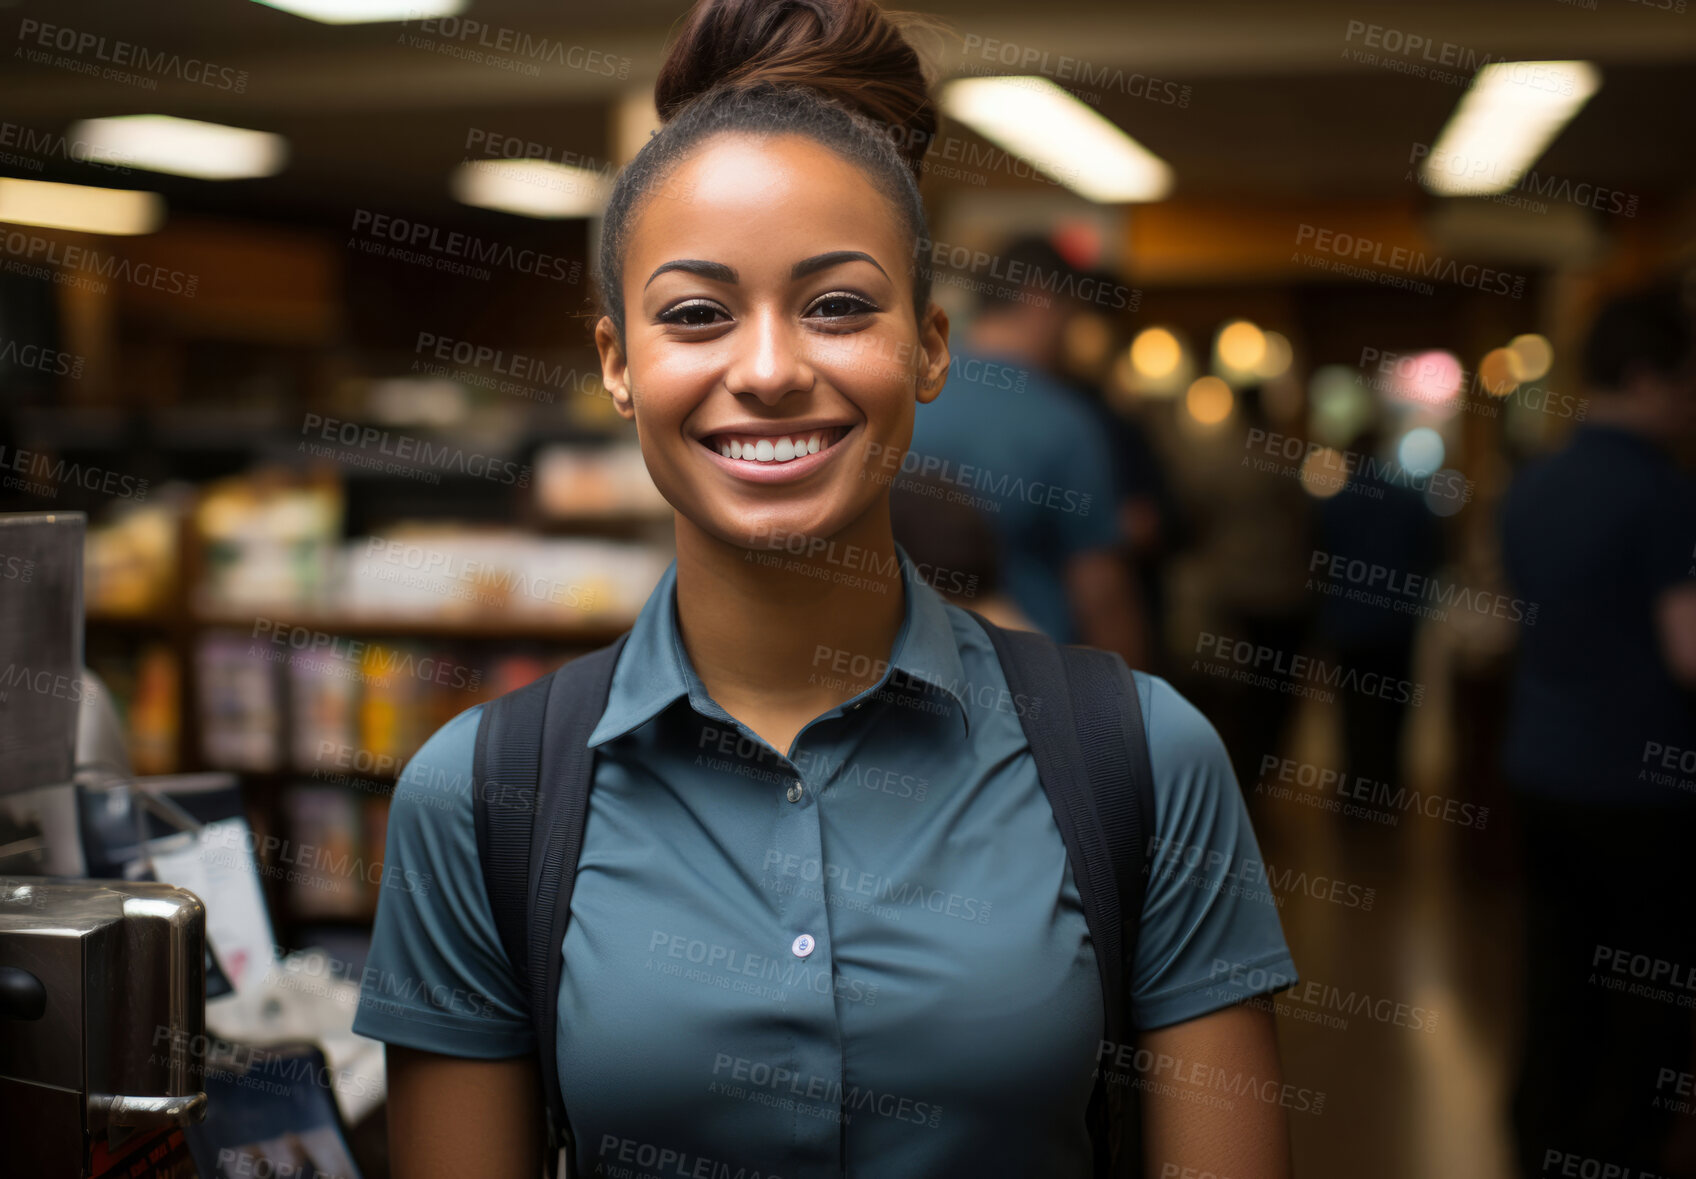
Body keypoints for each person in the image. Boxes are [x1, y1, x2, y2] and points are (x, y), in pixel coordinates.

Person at [351, 1, 1298, 1175]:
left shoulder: (1141, 760)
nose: (768, 370)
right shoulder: (482, 800)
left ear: (932, 345)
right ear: (617, 365)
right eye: (696, 315)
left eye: (839, 305)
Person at [1498, 284, 1696, 1178]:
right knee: (1645, 995)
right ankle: (1621, 1151)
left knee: (1555, 976)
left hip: (1540, 764)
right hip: (1641, 780)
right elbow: (1689, 651)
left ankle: (1541, 1140)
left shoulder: (1531, 485)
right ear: (1650, 375)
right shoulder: (1666, 494)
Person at [907, 234, 1147, 667]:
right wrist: (1134, 701)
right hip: (1027, 678)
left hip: (897, 665)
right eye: (1071, 316)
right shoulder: (1063, 420)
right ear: (1040, 301)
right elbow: (1100, 589)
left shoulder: (908, 394)